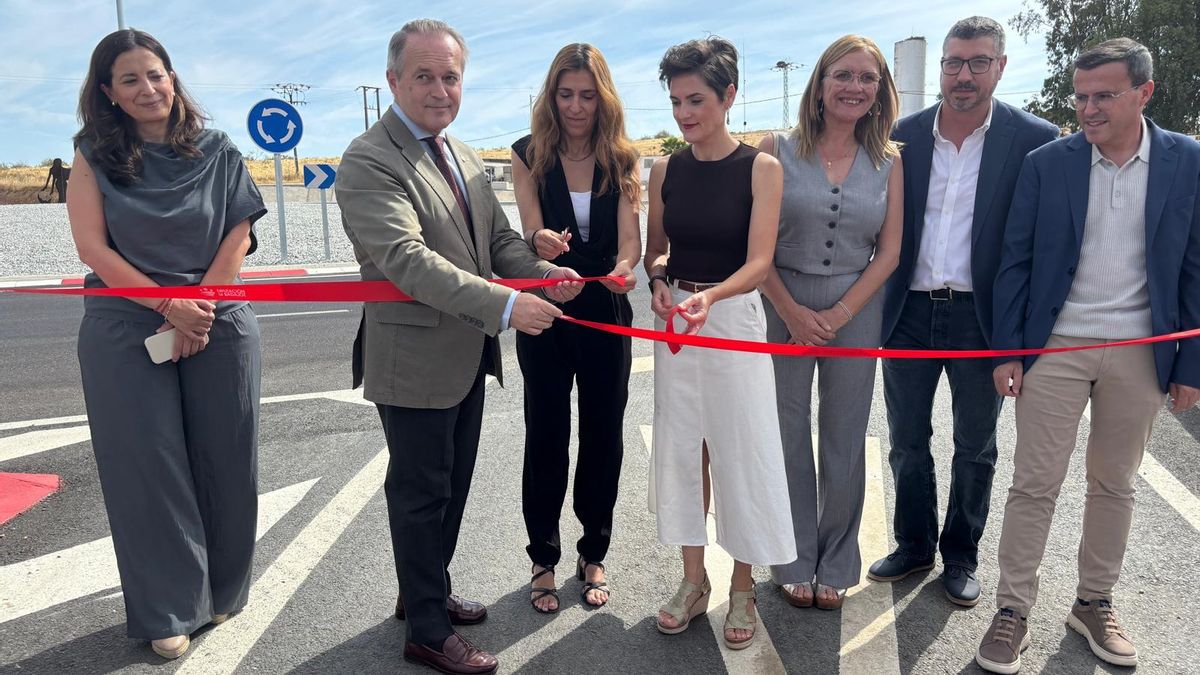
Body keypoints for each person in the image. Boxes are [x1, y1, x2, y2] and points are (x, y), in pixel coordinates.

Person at [334, 19, 582, 675]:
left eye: (450, 76)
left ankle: (427, 593)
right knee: (419, 492)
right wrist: (506, 304)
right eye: (424, 76)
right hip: (413, 359)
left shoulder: (464, 154)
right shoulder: (368, 159)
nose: (440, 89)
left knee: (450, 487)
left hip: (466, 356)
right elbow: (406, 262)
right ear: (393, 81)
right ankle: (425, 628)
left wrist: (540, 273)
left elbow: (497, 245)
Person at [976, 38, 1200, 673]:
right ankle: (1012, 609)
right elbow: (1014, 262)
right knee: (1034, 484)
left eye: (1104, 95)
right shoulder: (1049, 163)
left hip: (1141, 352)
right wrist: (1009, 353)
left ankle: (1093, 602)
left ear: (1144, 93)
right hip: (1056, 350)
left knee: (1115, 484)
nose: (1088, 109)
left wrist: (1191, 366)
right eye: (1081, 96)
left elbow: (1195, 267)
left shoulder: (1187, 161)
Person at [66, 28, 266, 659]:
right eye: (130, 79)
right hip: (127, 326)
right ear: (109, 93)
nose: (148, 88)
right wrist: (165, 305)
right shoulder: (92, 156)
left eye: (157, 74)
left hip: (217, 320)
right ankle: (168, 608)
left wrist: (196, 309)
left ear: (173, 78)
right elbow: (93, 249)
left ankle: (222, 590)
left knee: (228, 461)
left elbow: (239, 234)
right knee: (146, 471)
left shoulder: (219, 149)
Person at [867, 17, 1059, 607]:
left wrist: (1019, 342)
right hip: (909, 312)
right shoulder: (901, 134)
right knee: (906, 441)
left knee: (976, 446)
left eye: (978, 62)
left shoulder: (1035, 139)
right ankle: (914, 544)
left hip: (984, 318)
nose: (963, 75)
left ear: (1001, 67)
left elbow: (1037, 247)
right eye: (953, 62)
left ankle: (960, 555)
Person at [644, 36, 791, 650]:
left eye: (696, 99)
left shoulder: (761, 167)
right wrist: (657, 279)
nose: (684, 113)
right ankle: (692, 580)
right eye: (676, 101)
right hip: (676, 317)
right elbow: (657, 247)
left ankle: (743, 586)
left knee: (740, 449)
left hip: (730, 316)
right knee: (682, 448)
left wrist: (713, 297)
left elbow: (760, 264)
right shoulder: (663, 168)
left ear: (729, 96)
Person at [757, 34, 902, 611]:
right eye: (843, 75)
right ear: (819, 84)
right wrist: (793, 311)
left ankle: (838, 559)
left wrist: (840, 313)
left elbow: (889, 253)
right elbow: (756, 246)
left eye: (867, 78)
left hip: (858, 307)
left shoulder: (892, 159)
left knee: (845, 434)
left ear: (879, 90)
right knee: (786, 431)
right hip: (780, 302)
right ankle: (792, 557)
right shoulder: (775, 149)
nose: (855, 87)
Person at [511, 43, 641, 613]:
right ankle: (543, 557)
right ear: (551, 95)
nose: (576, 107)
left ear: (604, 97)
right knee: (545, 434)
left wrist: (624, 267)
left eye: (588, 95)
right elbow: (531, 231)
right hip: (547, 309)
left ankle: (595, 552)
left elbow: (631, 238)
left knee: (603, 435)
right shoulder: (527, 153)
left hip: (606, 309)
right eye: (565, 95)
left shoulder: (623, 158)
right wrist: (541, 248)